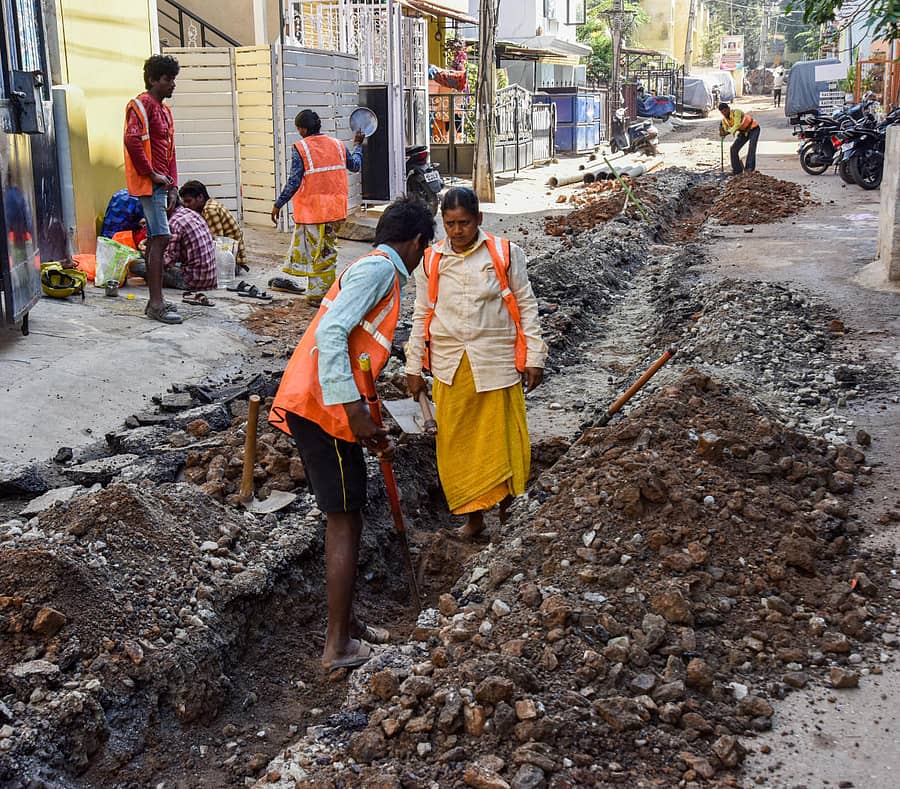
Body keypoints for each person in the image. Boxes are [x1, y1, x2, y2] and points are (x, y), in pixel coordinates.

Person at [268, 196, 435, 674]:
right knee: (344, 517)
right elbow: (334, 333)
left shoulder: (372, 267)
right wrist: (353, 410)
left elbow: (356, 349)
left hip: (328, 405)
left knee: (349, 510)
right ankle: (337, 644)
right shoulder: (380, 271)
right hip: (323, 407)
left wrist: (365, 414)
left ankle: (348, 622)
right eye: (426, 248)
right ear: (417, 241)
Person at [405, 187, 548, 539]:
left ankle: (506, 515)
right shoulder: (431, 261)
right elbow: (421, 313)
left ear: (479, 220)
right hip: (451, 366)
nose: (457, 231)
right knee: (458, 444)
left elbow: (526, 307)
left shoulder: (505, 254)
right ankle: (473, 520)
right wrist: (412, 367)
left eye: (464, 223)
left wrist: (534, 357)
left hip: (496, 362)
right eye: (450, 224)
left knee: (501, 441)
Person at [270, 109, 366, 305]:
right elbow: (355, 165)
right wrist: (358, 146)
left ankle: (318, 295)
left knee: (318, 253)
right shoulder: (338, 145)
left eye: (298, 129)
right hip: (336, 211)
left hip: (313, 212)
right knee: (327, 251)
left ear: (303, 129)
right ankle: (322, 291)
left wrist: (278, 204)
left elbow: (294, 181)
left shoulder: (300, 148)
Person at [124, 54, 182, 324]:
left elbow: (169, 152)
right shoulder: (142, 105)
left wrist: (172, 185)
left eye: (172, 79)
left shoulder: (165, 111)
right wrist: (152, 174)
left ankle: (155, 300)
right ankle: (155, 303)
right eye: (167, 79)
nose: (172, 84)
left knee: (160, 238)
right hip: (150, 184)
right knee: (160, 238)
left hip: (161, 185)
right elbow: (132, 140)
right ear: (152, 80)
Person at [131, 189, 216, 293]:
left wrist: (146, 254)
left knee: (136, 265)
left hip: (192, 281)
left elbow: (167, 261)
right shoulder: (192, 213)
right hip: (210, 277)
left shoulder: (173, 223)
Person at [179, 180, 248, 274]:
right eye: (184, 202)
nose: (186, 206)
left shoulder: (209, 210)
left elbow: (216, 245)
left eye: (188, 201)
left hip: (230, 265)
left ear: (200, 197)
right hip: (230, 261)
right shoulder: (210, 204)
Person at [719, 102, 760, 175]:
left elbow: (737, 125)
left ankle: (749, 169)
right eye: (722, 112)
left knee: (751, 147)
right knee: (733, 148)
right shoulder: (724, 121)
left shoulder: (736, 112)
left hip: (753, 129)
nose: (724, 113)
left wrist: (727, 132)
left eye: (725, 111)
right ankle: (737, 170)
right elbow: (725, 131)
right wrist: (722, 132)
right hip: (743, 132)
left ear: (728, 109)